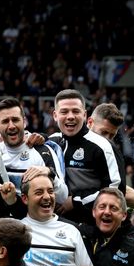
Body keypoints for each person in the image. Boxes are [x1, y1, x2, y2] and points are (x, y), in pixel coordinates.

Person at [48, 89, 123, 225]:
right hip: (54, 223)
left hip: (90, 227)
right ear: (55, 115)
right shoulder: (51, 142)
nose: (70, 116)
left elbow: (115, 189)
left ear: (84, 115)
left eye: (76, 111)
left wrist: (76, 201)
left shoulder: (102, 146)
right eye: (64, 112)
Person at [0, 97, 68, 202]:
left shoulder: (43, 151)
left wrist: (49, 173)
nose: (11, 126)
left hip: (37, 216)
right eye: (5, 121)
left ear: (24, 122)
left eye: (15, 120)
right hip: (3, 217)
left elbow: (63, 197)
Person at [87, 103, 134, 210]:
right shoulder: (64, 142)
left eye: (112, 135)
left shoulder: (110, 152)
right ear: (90, 123)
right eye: (103, 132)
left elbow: (121, 191)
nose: (107, 139)